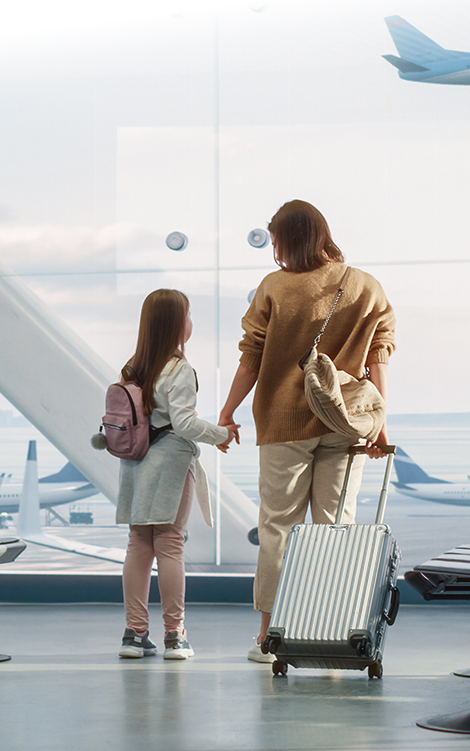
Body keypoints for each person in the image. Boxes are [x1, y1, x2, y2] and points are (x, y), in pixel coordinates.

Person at [218, 200, 395, 663]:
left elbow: (251, 357)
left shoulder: (275, 287)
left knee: (279, 527)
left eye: (274, 240)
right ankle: (333, 629)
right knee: (336, 528)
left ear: (285, 241)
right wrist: (378, 421)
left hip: (282, 422)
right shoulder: (364, 285)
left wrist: (228, 410)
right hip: (345, 422)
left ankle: (269, 637)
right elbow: (380, 354)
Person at [116, 289, 239, 660]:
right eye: (188, 314)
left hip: (135, 463)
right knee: (169, 544)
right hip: (169, 464)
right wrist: (221, 434)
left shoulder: (132, 367)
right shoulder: (178, 368)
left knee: (139, 545)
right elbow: (184, 424)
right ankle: (175, 634)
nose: (191, 321)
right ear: (176, 324)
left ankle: (135, 634)